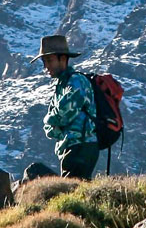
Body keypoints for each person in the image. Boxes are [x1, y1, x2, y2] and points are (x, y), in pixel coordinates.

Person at [34, 34, 99, 180]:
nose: (46, 67)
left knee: (74, 191)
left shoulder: (76, 81)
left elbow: (62, 114)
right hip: (70, 147)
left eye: (49, 60)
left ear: (63, 59)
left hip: (81, 146)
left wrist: (48, 120)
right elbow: (49, 129)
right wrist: (52, 122)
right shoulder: (61, 86)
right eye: (44, 62)